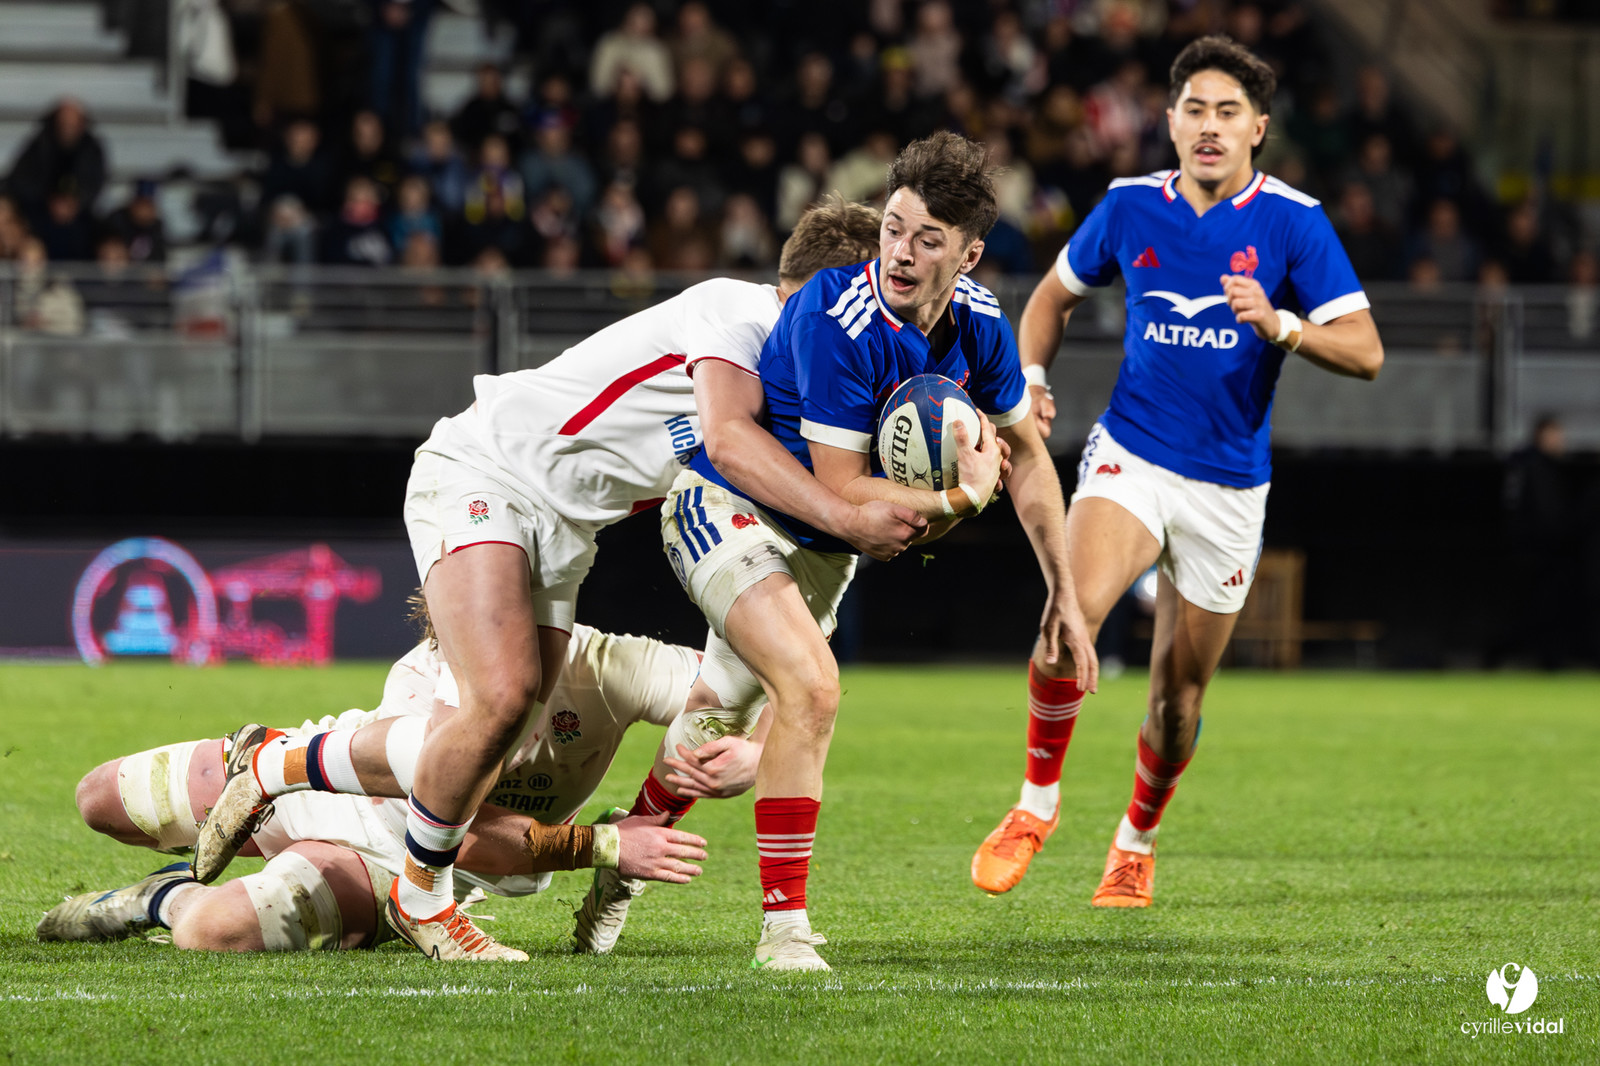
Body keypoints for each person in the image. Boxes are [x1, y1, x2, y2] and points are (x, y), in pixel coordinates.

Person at [192, 199, 925, 961]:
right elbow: (727, 442)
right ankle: (422, 900)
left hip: (565, 529)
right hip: (489, 469)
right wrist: (851, 515)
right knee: (499, 700)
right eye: (862, 294)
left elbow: (801, 563)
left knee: (493, 745)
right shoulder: (734, 313)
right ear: (823, 289)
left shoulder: (804, 385)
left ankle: (276, 764)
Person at [661, 131, 1098, 972]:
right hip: (727, 504)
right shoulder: (837, 313)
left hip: (823, 549)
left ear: (969, 254)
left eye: (928, 239)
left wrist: (1064, 593)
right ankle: (784, 934)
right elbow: (844, 484)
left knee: (716, 714)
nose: (900, 252)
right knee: (813, 688)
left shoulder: (979, 323)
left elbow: (1032, 459)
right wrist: (960, 498)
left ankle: (621, 872)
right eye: (894, 227)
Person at [971, 35, 1384, 908]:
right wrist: (1033, 382)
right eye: (1193, 109)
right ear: (1168, 122)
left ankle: (1135, 843)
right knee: (1066, 621)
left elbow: (1368, 352)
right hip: (1133, 453)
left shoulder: (1295, 223)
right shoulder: (1127, 207)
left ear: (1258, 129)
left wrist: (1283, 328)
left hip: (1229, 486)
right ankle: (1033, 808)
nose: (1208, 126)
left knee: (1175, 702)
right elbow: (1050, 299)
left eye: (1227, 112)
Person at [38, 624, 745, 954]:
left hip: (394, 858)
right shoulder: (426, 677)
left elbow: (743, 681)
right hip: (325, 784)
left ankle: (160, 896)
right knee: (98, 797)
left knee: (210, 931)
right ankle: (266, 770)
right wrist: (608, 844)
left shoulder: (611, 665)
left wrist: (752, 750)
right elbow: (463, 823)